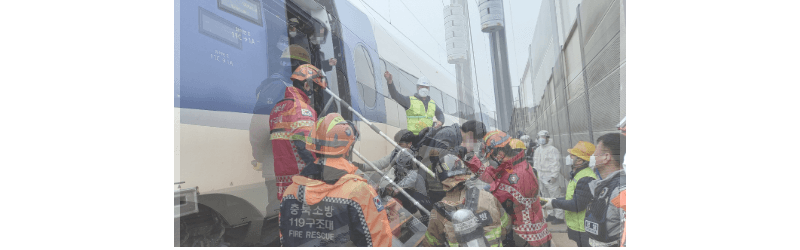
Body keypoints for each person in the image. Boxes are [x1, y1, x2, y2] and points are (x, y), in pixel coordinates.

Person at [279, 113, 393, 247]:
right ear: (348, 147)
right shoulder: (359, 192)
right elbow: (378, 241)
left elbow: (285, 237)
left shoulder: (291, 191)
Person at [463, 131, 552, 247]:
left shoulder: (515, 176)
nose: (491, 160)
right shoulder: (511, 166)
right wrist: (469, 157)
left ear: (500, 153)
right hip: (529, 232)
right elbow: (488, 174)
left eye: (492, 156)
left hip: (527, 238)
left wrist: (477, 198)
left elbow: (494, 199)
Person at [422, 154, 511, 247]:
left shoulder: (438, 213)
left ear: (441, 181)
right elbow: (506, 225)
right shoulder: (488, 197)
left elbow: (430, 244)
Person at [268, 64, 327, 202]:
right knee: (307, 219)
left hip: (284, 179)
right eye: (316, 88)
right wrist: (317, 171)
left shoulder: (277, 108)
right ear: (307, 85)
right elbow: (304, 144)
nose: (316, 93)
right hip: (303, 179)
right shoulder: (301, 108)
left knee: (289, 217)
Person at [541, 141, 598, 247]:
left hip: (583, 230)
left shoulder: (586, 178)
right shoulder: (579, 174)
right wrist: (552, 201)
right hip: (578, 226)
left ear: (580, 160)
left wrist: (554, 203)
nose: (569, 157)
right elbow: (572, 197)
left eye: (572, 155)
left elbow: (577, 205)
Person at [583, 133, 626, 247]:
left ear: (606, 157)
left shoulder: (622, 190)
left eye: (595, 154)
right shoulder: (604, 184)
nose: (592, 157)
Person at [384, 150, 432, 225]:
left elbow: (401, 186)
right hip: (415, 201)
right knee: (402, 193)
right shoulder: (405, 172)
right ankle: (407, 216)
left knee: (401, 193)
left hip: (422, 203)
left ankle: (417, 219)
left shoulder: (414, 174)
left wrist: (392, 189)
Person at [532, 130, 566, 224]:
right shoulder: (537, 150)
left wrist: (554, 175)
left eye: (544, 137)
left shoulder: (552, 149)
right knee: (545, 195)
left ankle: (559, 217)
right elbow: (535, 163)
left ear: (547, 138)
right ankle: (551, 214)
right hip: (540, 175)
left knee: (555, 196)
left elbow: (555, 163)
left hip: (549, 175)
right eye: (540, 137)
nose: (542, 139)